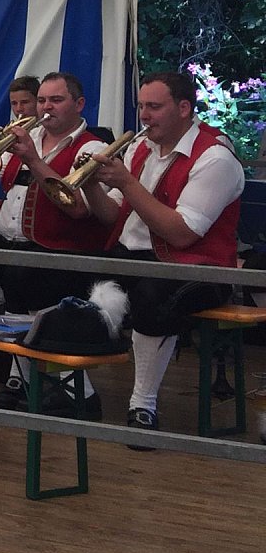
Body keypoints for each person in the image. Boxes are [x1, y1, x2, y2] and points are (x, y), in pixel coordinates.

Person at [80, 70, 243, 443]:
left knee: (152, 295)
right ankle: (79, 392)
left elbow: (182, 234)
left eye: (154, 107)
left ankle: (143, 404)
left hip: (201, 268)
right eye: (141, 106)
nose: (144, 116)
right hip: (138, 256)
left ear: (184, 108)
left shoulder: (215, 157)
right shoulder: (141, 147)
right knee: (66, 276)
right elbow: (112, 216)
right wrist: (90, 185)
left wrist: (127, 183)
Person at [0, 71, 111, 412]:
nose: (46, 107)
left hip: (67, 251)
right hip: (16, 247)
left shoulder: (92, 148)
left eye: (56, 100)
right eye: (41, 100)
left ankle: (67, 388)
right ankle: (21, 376)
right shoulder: (27, 138)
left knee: (25, 279)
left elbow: (79, 209)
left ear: (79, 104)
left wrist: (33, 160)